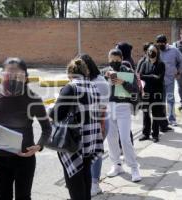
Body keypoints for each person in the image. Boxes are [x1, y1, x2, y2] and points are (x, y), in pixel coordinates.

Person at [0, 57, 52, 200]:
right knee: (3, 197)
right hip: (0, 159)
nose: (12, 79)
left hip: (24, 159)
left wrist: (38, 146)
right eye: (8, 75)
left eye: (17, 76)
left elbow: (47, 128)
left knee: (23, 197)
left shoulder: (33, 99)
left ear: (25, 78)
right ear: (2, 75)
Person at [49, 58, 104, 200]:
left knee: (74, 179)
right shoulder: (93, 87)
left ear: (69, 74)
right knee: (86, 173)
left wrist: (49, 108)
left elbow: (56, 114)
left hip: (74, 141)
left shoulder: (70, 88)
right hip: (90, 139)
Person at [104, 48, 142, 182]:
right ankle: (116, 165)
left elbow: (134, 90)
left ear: (121, 59)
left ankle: (134, 167)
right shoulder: (105, 72)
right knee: (111, 139)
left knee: (125, 139)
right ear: (108, 60)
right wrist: (105, 78)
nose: (114, 62)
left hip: (123, 107)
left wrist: (123, 82)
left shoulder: (127, 71)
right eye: (112, 60)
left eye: (117, 60)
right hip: (109, 107)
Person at [77, 54, 110, 197]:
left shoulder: (100, 81)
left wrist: (101, 126)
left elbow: (102, 107)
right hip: (84, 123)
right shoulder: (83, 81)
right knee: (84, 154)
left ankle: (95, 184)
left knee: (95, 153)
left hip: (98, 121)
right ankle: (85, 182)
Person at [156, 34, 182, 126]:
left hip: (169, 80)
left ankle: (172, 119)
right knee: (160, 100)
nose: (160, 45)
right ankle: (162, 120)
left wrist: (179, 72)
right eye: (158, 43)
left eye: (162, 43)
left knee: (170, 99)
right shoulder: (155, 51)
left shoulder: (174, 50)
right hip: (158, 81)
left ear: (166, 43)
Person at [138, 44, 165, 143]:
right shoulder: (144, 63)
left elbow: (159, 79)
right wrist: (152, 76)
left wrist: (148, 76)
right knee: (145, 113)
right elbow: (140, 76)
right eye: (149, 51)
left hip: (157, 93)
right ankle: (145, 133)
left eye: (153, 51)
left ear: (157, 52)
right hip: (146, 92)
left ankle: (155, 134)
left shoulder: (161, 64)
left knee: (156, 114)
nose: (151, 53)